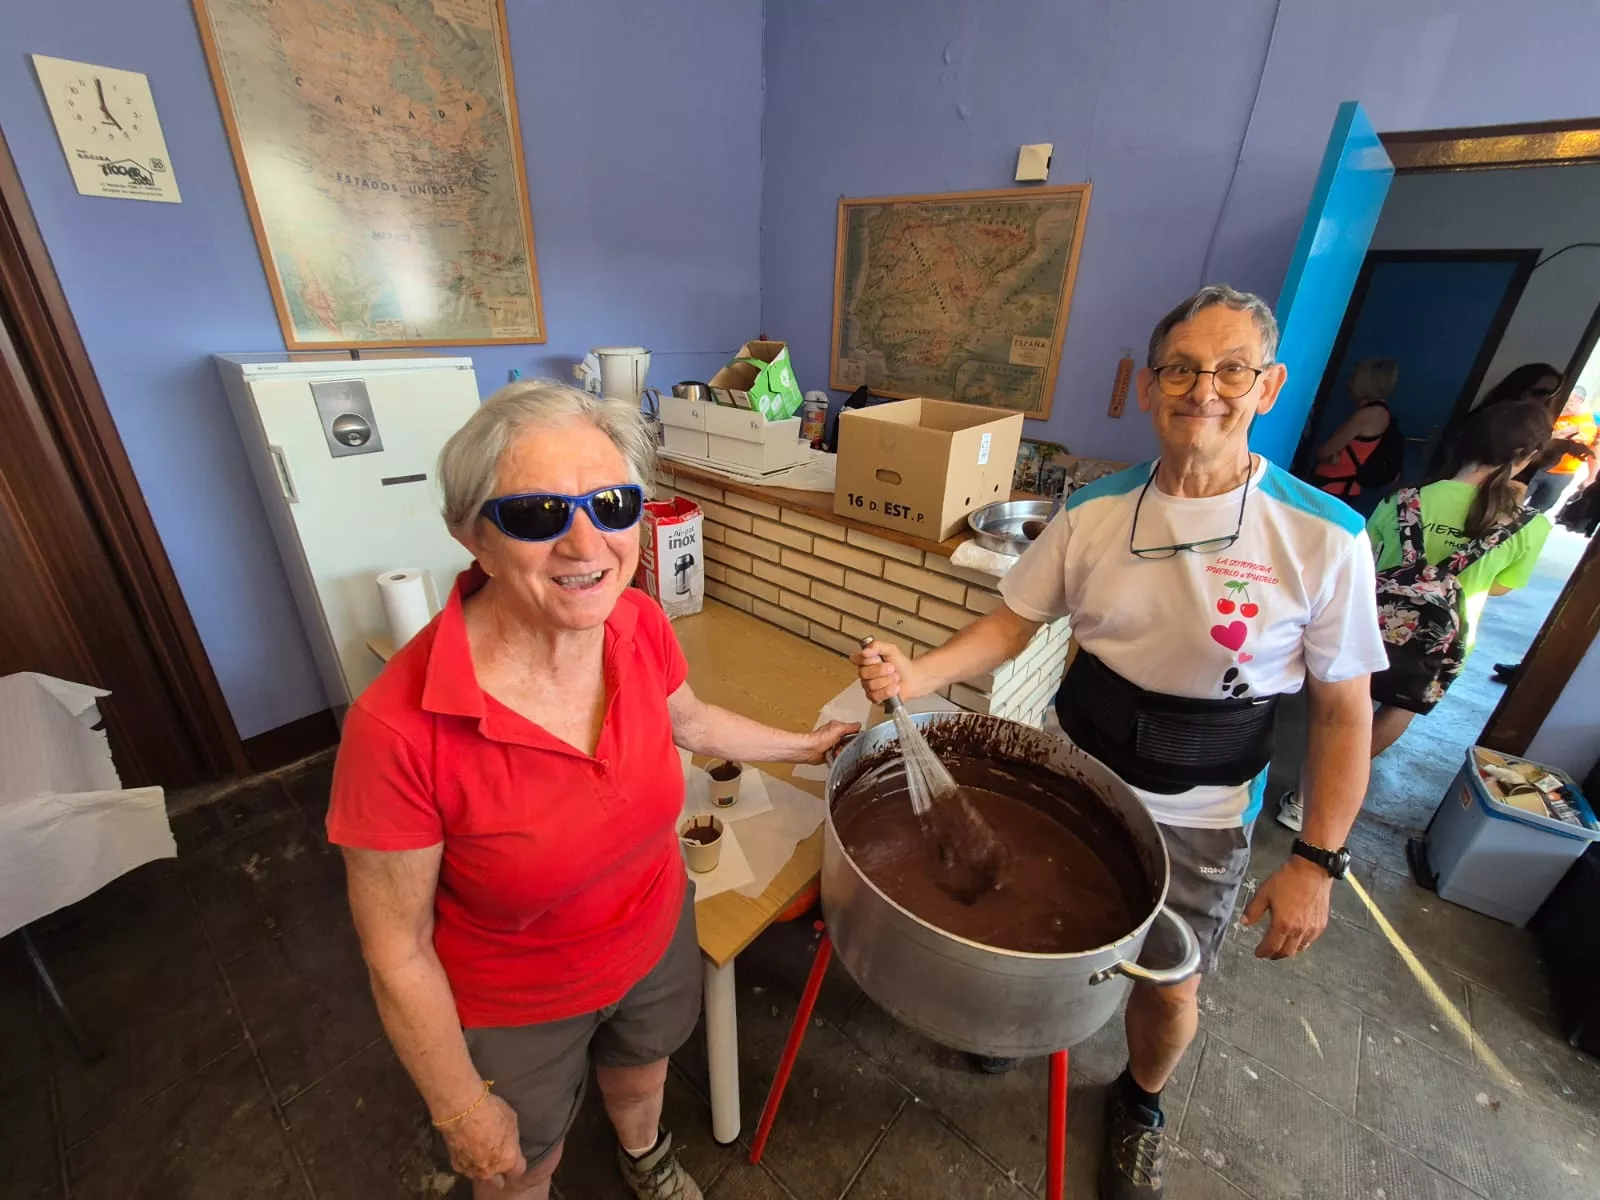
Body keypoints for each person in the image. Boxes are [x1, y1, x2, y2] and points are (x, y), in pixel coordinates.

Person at [854, 285, 1385, 1200]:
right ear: (1150, 386)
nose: (1203, 389)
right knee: (1021, 934)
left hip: (1205, 812)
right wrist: (919, 674)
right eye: (1181, 367)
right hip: (1067, 778)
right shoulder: (1094, 512)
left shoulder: (1323, 538)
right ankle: (1013, 1033)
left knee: (1169, 986)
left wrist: (1317, 862)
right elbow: (1010, 626)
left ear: (1269, 386)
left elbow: (1344, 714)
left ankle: (1139, 1100)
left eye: (1230, 369)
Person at [326, 382, 855, 1200]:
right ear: (473, 535)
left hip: (651, 935)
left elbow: (694, 723)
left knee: (641, 1077)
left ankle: (643, 1155)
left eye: (612, 504)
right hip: (519, 998)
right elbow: (395, 949)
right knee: (520, 1165)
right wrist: (460, 1104)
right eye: (538, 516)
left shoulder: (636, 624)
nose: (588, 544)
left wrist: (810, 746)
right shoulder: (397, 730)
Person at [1277, 401, 1553, 827]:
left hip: (1374, 622)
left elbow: (1366, 556)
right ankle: (1306, 801)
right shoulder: (1528, 526)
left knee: (1342, 711)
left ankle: (1304, 782)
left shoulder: (1408, 499)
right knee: (1396, 712)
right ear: (1525, 457)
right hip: (1443, 641)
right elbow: (1500, 587)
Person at [1308, 357, 1403, 512]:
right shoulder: (1380, 411)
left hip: (1334, 487)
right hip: (1345, 487)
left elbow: (1324, 451)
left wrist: (1329, 455)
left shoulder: (1367, 415)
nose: (1350, 382)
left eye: (1354, 378)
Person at [1524, 385, 1597, 512]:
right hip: (1537, 467)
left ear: (1579, 400)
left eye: (1571, 399)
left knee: (1537, 510)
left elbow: (1594, 451)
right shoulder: (1553, 414)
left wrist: (1591, 477)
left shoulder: (1592, 422)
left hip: (1563, 475)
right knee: (1513, 501)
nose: (1568, 402)